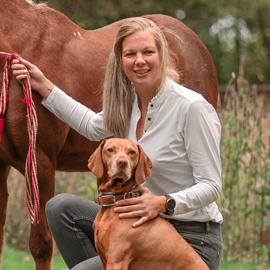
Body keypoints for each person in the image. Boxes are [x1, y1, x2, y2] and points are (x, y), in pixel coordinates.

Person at [12, 17, 223, 270]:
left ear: (162, 55)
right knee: (61, 207)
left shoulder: (192, 107)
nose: (140, 61)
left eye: (148, 52)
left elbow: (211, 186)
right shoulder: (128, 105)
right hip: (139, 225)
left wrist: (164, 202)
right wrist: (44, 85)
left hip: (192, 237)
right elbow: (91, 125)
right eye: (130, 54)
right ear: (120, 61)